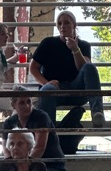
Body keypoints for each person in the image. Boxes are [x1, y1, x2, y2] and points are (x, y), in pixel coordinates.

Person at [29, 11, 105, 144]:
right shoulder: (48, 43)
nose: (62, 26)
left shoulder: (84, 45)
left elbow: (84, 68)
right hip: (54, 90)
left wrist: (75, 50)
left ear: (74, 25)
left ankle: (97, 113)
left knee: (90, 67)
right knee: (46, 90)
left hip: (76, 90)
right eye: (59, 23)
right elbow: (33, 68)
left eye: (66, 23)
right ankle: (49, 138)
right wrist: (47, 83)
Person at [1, 87, 67, 171]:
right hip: (22, 167)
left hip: (51, 167)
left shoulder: (41, 117)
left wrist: (24, 169)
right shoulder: (9, 123)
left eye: (29, 101)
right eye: (22, 103)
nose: (26, 106)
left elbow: (39, 147)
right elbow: (6, 148)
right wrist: (12, 167)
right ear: (14, 105)